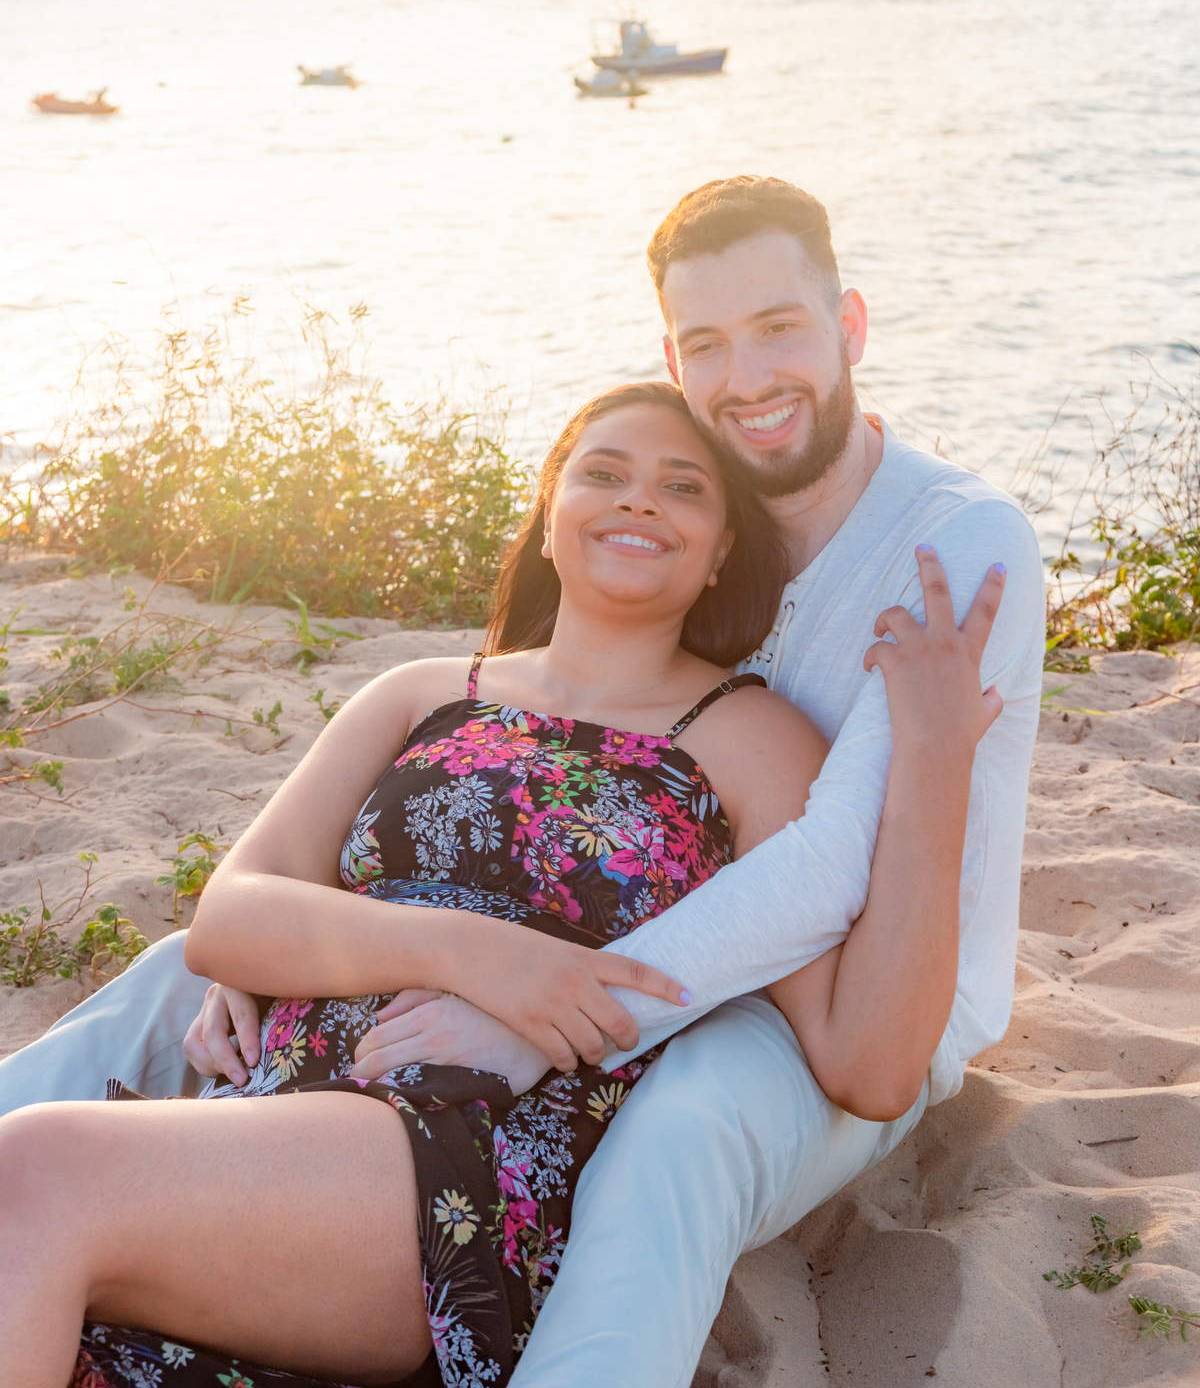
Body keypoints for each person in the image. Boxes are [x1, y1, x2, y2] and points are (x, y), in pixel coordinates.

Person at [0, 175, 1043, 1388]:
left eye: (682, 487)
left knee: (41, 1176)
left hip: (457, 1141)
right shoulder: (425, 689)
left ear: (722, 557)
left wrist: (527, 995)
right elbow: (228, 919)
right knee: (123, 1044)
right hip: (289, 1101)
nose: (642, 496)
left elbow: (834, 949)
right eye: (606, 471)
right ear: (546, 509)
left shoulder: (794, 692)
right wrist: (360, 954)